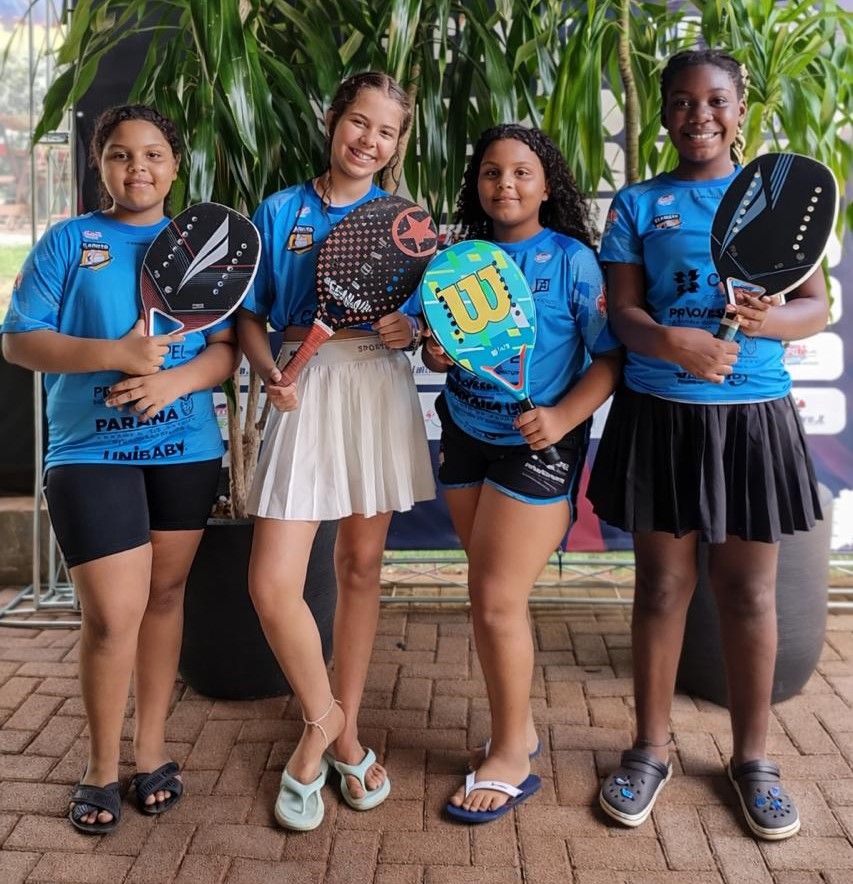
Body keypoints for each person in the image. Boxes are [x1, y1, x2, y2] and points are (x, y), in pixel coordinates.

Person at [588, 49, 828, 840]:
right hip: (661, 412)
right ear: (662, 114)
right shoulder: (636, 203)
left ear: (740, 108)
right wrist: (674, 345)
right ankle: (649, 749)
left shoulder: (776, 198)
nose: (700, 116)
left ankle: (752, 760)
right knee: (660, 587)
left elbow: (813, 309)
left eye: (715, 101)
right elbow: (622, 316)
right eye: (684, 102)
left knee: (749, 593)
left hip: (753, 416)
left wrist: (769, 320)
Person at [1, 105, 238, 833]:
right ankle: (100, 767)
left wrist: (172, 382)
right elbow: (19, 341)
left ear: (175, 165)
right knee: (112, 616)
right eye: (120, 155)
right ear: (99, 165)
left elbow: (225, 350)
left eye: (154, 154)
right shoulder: (70, 242)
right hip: (89, 454)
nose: (138, 169)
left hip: (185, 452)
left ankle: (150, 753)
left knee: (164, 601)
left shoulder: (203, 244)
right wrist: (116, 355)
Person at [236, 72, 434, 831]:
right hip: (302, 385)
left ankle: (328, 738)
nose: (368, 141)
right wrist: (270, 374)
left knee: (358, 568)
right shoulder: (280, 209)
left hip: (375, 387)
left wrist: (408, 331)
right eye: (358, 122)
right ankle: (335, 728)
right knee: (271, 582)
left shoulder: (407, 221)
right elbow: (250, 316)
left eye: (385, 132)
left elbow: (425, 315)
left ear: (396, 144)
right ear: (333, 120)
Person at [421, 124, 621, 824]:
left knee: (497, 599)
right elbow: (442, 344)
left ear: (546, 184)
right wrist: (437, 357)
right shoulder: (458, 260)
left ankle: (510, 754)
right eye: (490, 173)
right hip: (465, 433)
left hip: (539, 446)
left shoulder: (573, 262)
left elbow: (609, 358)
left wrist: (563, 418)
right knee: (488, 594)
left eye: (521, 173)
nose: (504, 185)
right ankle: (519, 729)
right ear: (476, 185)